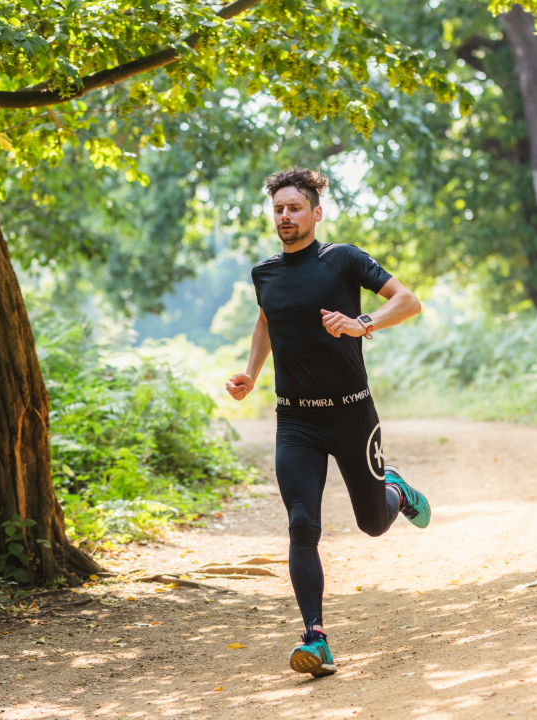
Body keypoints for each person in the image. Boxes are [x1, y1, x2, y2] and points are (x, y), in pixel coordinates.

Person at [225, 167, 431, 677]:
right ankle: (316, 639)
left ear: (316, 213)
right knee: (301, 526)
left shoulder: (342, 260)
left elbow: (408, 301)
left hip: (352, 413)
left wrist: (362, 324)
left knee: (371, 524)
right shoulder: (265, 273)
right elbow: (267, 319)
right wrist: (251, 374)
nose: (285, 217)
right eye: (278, 209)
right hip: (296, 421)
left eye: (294, 208)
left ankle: (396, 493)